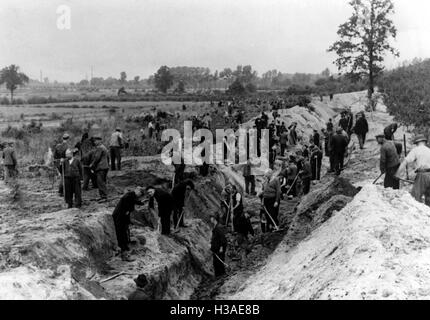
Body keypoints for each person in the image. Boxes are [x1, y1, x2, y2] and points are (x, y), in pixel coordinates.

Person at [112, 187, 145, 262]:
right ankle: (123, 248)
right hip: (120, 216)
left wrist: (140, 203)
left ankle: (125, 245)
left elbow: (134, 201)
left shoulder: (132, 196)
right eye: (140, 193)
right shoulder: (129, 195)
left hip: (123, 216)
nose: (140, 196)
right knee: (120, 231)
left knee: (125, 230)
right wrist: (128, 210)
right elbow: (128, 202)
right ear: (137, 190)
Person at [396, 135, 430, 205]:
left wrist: (397, 174)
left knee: (415, 197)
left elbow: (405, 162)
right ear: (425, 142)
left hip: (422, 175)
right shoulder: (429, 150)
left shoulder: (416, 150)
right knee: (429, 198)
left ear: (417, 143)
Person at [90, 136, 110, 201]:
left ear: (99, 141)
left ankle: (104, 196)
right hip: (105, 167)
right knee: (102, 181)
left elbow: (97, 158)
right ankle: (102, 196)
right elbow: (107, 157)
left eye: (95, 141)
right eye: (94, 141)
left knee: (100, 182)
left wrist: (92, 165)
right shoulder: (104, 147)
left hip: (101, 167)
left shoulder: (100, 148)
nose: (94, 142)